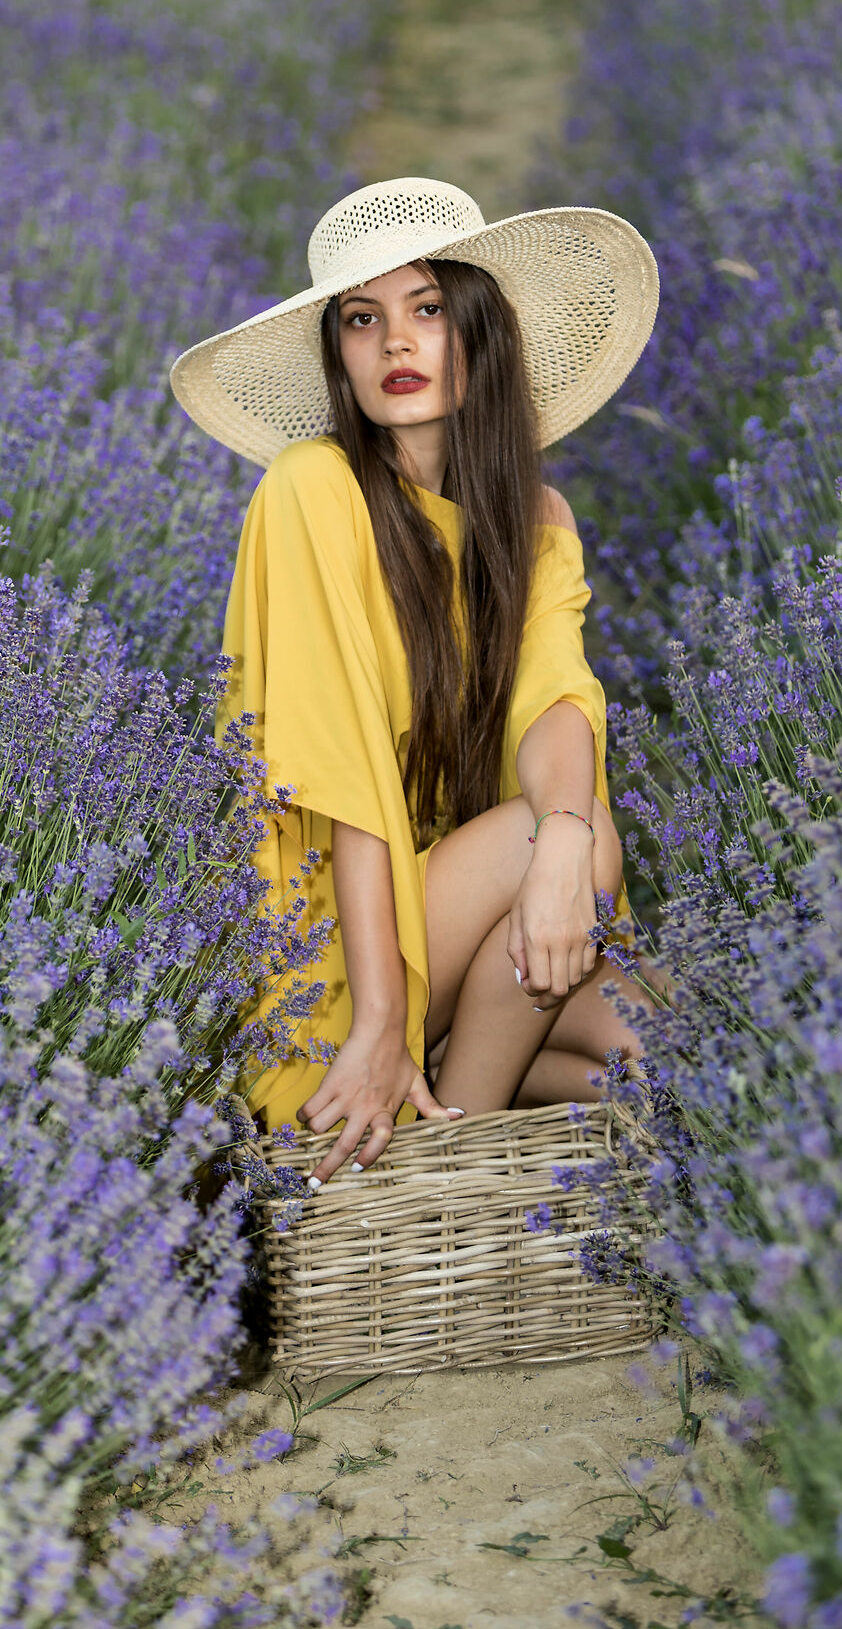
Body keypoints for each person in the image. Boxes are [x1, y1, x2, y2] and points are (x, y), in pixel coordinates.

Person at [171, 176, 660, 1183]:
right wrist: (383, 1019)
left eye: (426, 310)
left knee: (664, 1045)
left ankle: (442, 1121)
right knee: (559, 831)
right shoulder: (313, 491)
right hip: (331, 966)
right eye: (362, 320)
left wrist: (568, 843)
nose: (396, 344)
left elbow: (554, 700)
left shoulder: (538, 520)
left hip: (462, 934)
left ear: (479, 331)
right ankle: (418, 1106)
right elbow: (338, 772)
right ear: (339, 356)